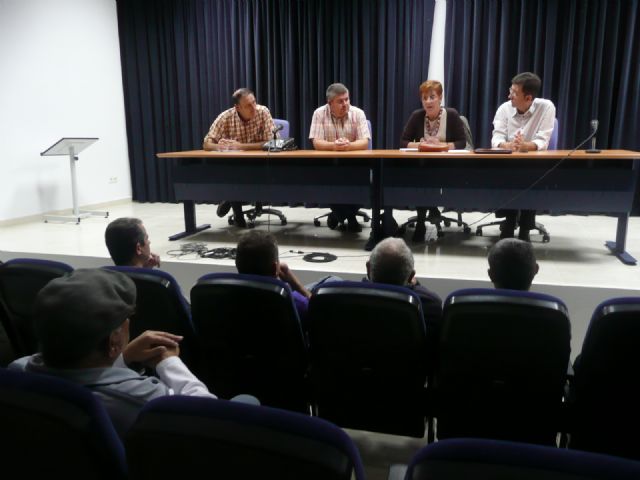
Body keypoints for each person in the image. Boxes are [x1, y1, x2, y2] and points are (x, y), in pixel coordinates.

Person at [8, 268, 219, 436]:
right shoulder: (141, 400)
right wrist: (169, 362)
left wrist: (123, 358)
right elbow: (210, 419)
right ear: (114, 339)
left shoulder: (16, 372)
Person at [491, 72, 556, 241]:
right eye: (510, 91)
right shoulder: (504, 109)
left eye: (514, 93)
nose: (509, 96)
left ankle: (525, 229)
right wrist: (507, 145)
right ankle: (510, 221)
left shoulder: (546, 107)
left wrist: (525, 146)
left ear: (528, 98)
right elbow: (496, 139)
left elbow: (543, 141)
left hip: (534, 165)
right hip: (508, 164)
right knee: (509, 175)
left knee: (530, 175)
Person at [400, 79, 467, 242]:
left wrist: (442, 146)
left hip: (448, 167)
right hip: (423, 166)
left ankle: (423, 219)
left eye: (432, 97)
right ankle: (423, 218)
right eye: (424, 98)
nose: (428, 101)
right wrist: (421, 145)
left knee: (425, 178)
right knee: (422, 176)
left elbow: (462, 142)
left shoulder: (451, 115)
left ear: (440, 98)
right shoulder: (417, 116)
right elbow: (403, 142)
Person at [365, 237, 442, 373]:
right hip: (407, 381)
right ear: (411, 276)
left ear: (368, 268)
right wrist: (416, 285)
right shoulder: (431, 305)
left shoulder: (339, 297)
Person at [203, 88, 277, 227]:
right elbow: (207, 143)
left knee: (241, 177)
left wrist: (240, 146)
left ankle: (230, 199)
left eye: (254, 102)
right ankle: (237, 213)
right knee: (233, 172)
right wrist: (221, 147)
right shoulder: (226, 117)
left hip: (261, 162)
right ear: (237, 107)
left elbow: (273, 142)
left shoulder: (263, 112)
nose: (254, 107)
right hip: (235, 164)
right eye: (248, 105)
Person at [309, 83, 371, 233]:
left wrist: (348, 146)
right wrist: (334, 146)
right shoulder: (319, 114)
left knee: (363, 181)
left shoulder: (358, 113)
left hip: (355, 164)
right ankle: (350, 217)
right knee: (330, 181)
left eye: (347, 99)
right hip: (329, 165)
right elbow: (316, 142)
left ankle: (338, 215)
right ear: (330, 103)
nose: (345, 104)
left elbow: (364, 142)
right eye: (340, 101)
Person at [235, 230, 314, 322]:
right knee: (326, 282)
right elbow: (318, 311)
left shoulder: (223, 295)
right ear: (274, 268)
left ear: (237, 264)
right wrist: (296, 285)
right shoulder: (294, 301)